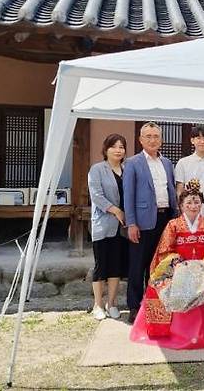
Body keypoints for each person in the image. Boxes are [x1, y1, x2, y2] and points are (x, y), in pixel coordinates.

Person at [130, 179, 204, 349]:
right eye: (189, 203)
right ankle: (163, 331)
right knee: (157, 288)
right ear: (181, 205)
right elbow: (164, 251)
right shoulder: (173, 225)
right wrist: (180, 265)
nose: (193, 206)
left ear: (202, 204)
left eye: (197, 202)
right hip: (179, 272)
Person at [123, 122, 178, 323]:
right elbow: (128, 195)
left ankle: (156, 304)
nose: (152, 140)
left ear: (161, 140)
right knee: (137, 265)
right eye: (148, 136)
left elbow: (170, 190)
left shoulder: (167, 163)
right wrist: (131, 223)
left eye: (156, 136)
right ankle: (134, 307)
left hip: (165, 219)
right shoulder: (133, 163)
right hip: (142, 221)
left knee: (160, 265)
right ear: (140, 140)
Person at [87, 134, 129, 320]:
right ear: (106, 149)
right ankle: (98, 304)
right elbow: (96, 196)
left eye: (121, 147)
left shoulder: (127, 169)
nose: (118, 150)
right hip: (104, 224)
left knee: (116, 266)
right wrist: (116, 211)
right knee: (101, 265)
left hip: (123, 227)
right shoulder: (97, 169)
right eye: (114, 146)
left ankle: (111, 303)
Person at [174, 124, 204, 220]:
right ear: (192, 140)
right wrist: (183, 212)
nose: (202, 141)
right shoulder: (183, 163)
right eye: (198, 138)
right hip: (188, 215)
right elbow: (179, 190)